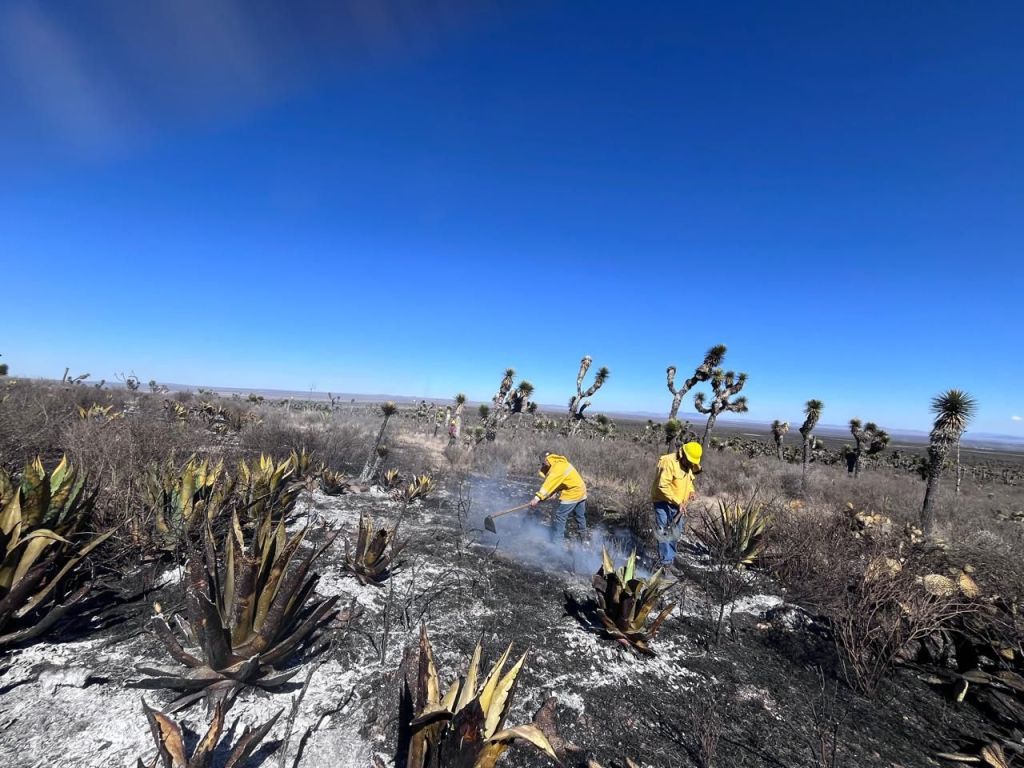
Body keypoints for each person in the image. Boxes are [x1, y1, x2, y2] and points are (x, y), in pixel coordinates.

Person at [650, 441, 702, 567]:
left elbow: (688, 481)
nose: (691, 464)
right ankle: (664, 565)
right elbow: (663, 486)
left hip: (679, 506)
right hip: (663, 502)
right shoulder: (668, 462)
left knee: (675, 533)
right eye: (689, 461)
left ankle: (670, 560)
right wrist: (678, 502)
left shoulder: (689, 465)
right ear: (682, 453)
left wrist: (691, 492)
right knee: (663, 534)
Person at [530, 452, 588, 542]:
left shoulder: (557, 469)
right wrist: (553, 493)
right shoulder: (560, 463)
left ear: (546, 460)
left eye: (543, 463)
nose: (543, 465)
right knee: (579, 515)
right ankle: (583, 538)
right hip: (581, 490)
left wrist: (537, 498)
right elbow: (561, 482)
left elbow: (548, 484)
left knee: (560, 515)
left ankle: (557, 542)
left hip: (573, 493)